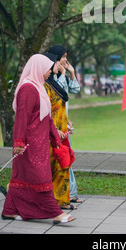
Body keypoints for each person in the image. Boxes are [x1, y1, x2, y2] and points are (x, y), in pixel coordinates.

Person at [1, 54, 75, 224]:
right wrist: (18, 142)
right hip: (28, 144)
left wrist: (55, 137)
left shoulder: (39, 87)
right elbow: (22, 117)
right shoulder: (28, 89)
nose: (51, 72)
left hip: (39, 143)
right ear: (38, 68)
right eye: (49, 68)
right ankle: (55, 212)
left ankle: (10, 210)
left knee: (22, 176)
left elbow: (47, 118)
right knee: (41, 178)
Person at [48, 45, 82, 204]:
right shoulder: (50, 77)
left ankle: (71, 193)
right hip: (55, 125)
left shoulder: (60, 75)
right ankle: (67, 194)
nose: (65, 60)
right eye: (63, 57)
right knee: (61, 158)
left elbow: (75, 89)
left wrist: (72, 73)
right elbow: (60, 94)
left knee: (66, 157)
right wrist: (62, 74)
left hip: (63, 123)